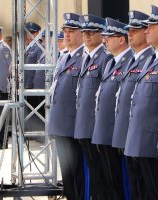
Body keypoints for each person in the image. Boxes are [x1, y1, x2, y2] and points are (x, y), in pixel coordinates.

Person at [124, 5, 158, 200]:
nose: (146, 30)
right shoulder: (152, 59)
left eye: (151, 26)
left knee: (155, 189)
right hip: (140, 136)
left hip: (153, 138)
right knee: (142, 189)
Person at [111, 10, 153, 200]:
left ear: (146, 32)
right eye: (129, 30)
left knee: (145, 186)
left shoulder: (149, 58)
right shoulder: (134, 59)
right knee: (134, 184)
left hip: (144, 135)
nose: (130, 33)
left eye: (135, 30)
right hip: (129, 132)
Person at [91, 17, 134, 200]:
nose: (105, 39)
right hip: (105, 130)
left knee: (119, 181)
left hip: (116, 131)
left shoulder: (129, 61)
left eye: (109, 36)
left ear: (121, 39)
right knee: (108, 180)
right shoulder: (111, 62)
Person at [47, 13, 85, 200]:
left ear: (81, 33)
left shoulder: (84, 58)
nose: (67, 35)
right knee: (67, 174)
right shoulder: (64, 57)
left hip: (73, 126)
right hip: (60, 124)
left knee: (77, 173)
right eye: (65, 31)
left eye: (71, 31)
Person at [74, 14, 112, 200]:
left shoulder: (105, 58)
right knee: (92, 171)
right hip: (83, 125)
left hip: (94, 126)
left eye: (91, 32)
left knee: (100, 173)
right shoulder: (85, 58)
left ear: (101, 34)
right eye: (84, 32)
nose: (87, 35)